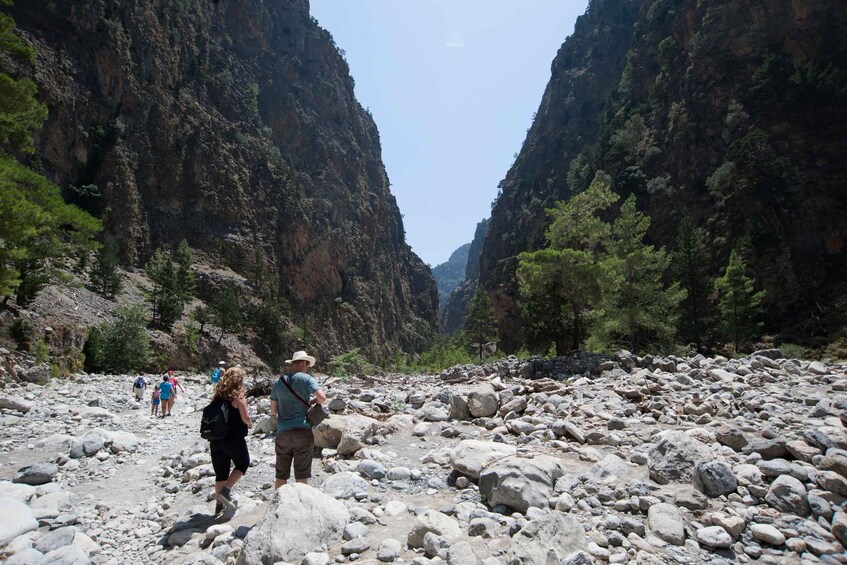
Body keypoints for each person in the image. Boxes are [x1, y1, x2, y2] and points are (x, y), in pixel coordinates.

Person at [270, 350, 326, 488]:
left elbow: (274, 411)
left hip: (283, 432)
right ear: (302, 363)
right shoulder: (306, 379)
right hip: (302, 431)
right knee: (301, 474)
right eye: (307, 364)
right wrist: (314, 402)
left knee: (281, 475)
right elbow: (322, 398)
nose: (307, 368)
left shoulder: (279, 382)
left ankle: (277, 505)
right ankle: (300, 505)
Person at [210, 367, 253, 513]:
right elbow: (245, 417)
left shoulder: (217, 395)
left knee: (221, 472)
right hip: (233, 438)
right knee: (243, 463)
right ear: (239, 380)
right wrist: (250, 423)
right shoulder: (238, 396)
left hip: (216, 438)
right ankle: (225, 491)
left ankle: (218, 505)